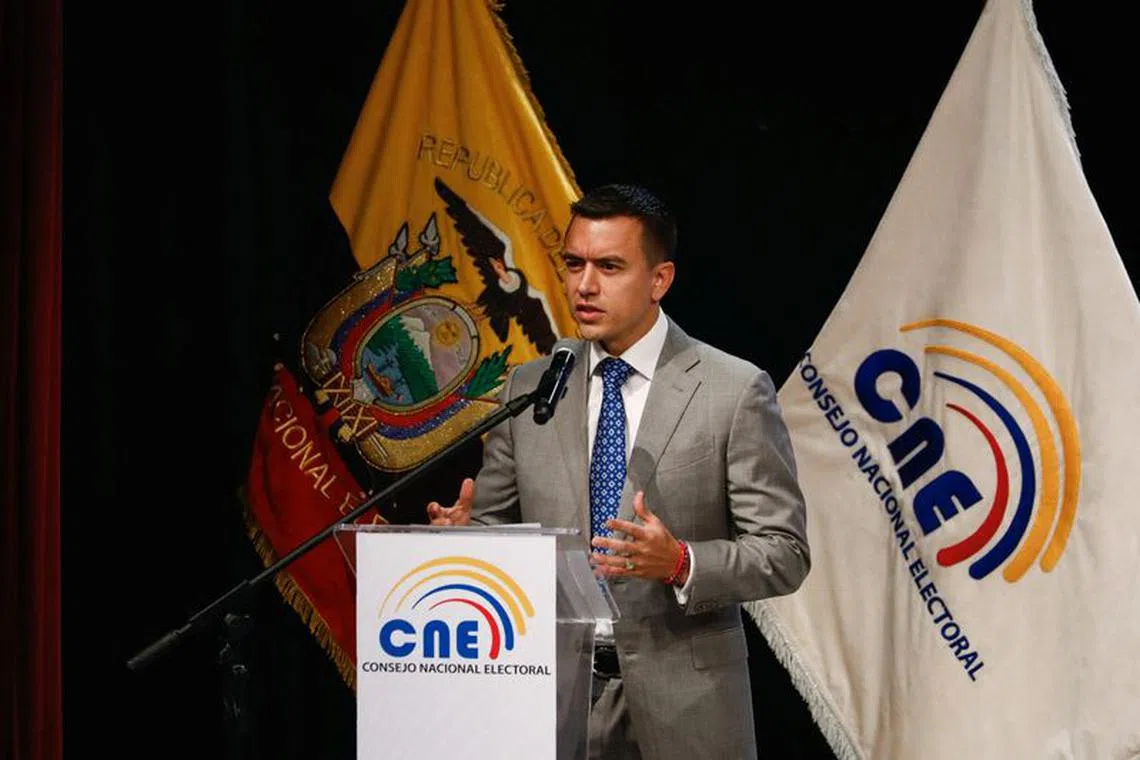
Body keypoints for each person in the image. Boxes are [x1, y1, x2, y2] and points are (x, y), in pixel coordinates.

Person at [428, 183, 810, 760]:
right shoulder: (531, 388)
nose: (584, 285)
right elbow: (499, 534)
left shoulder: (733, 390)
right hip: (552, 697)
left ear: (660, 280)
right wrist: (467, 545)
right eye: (574, 264)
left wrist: (680, 561)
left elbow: (783, 552)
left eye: (609, 267)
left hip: (688, 702)